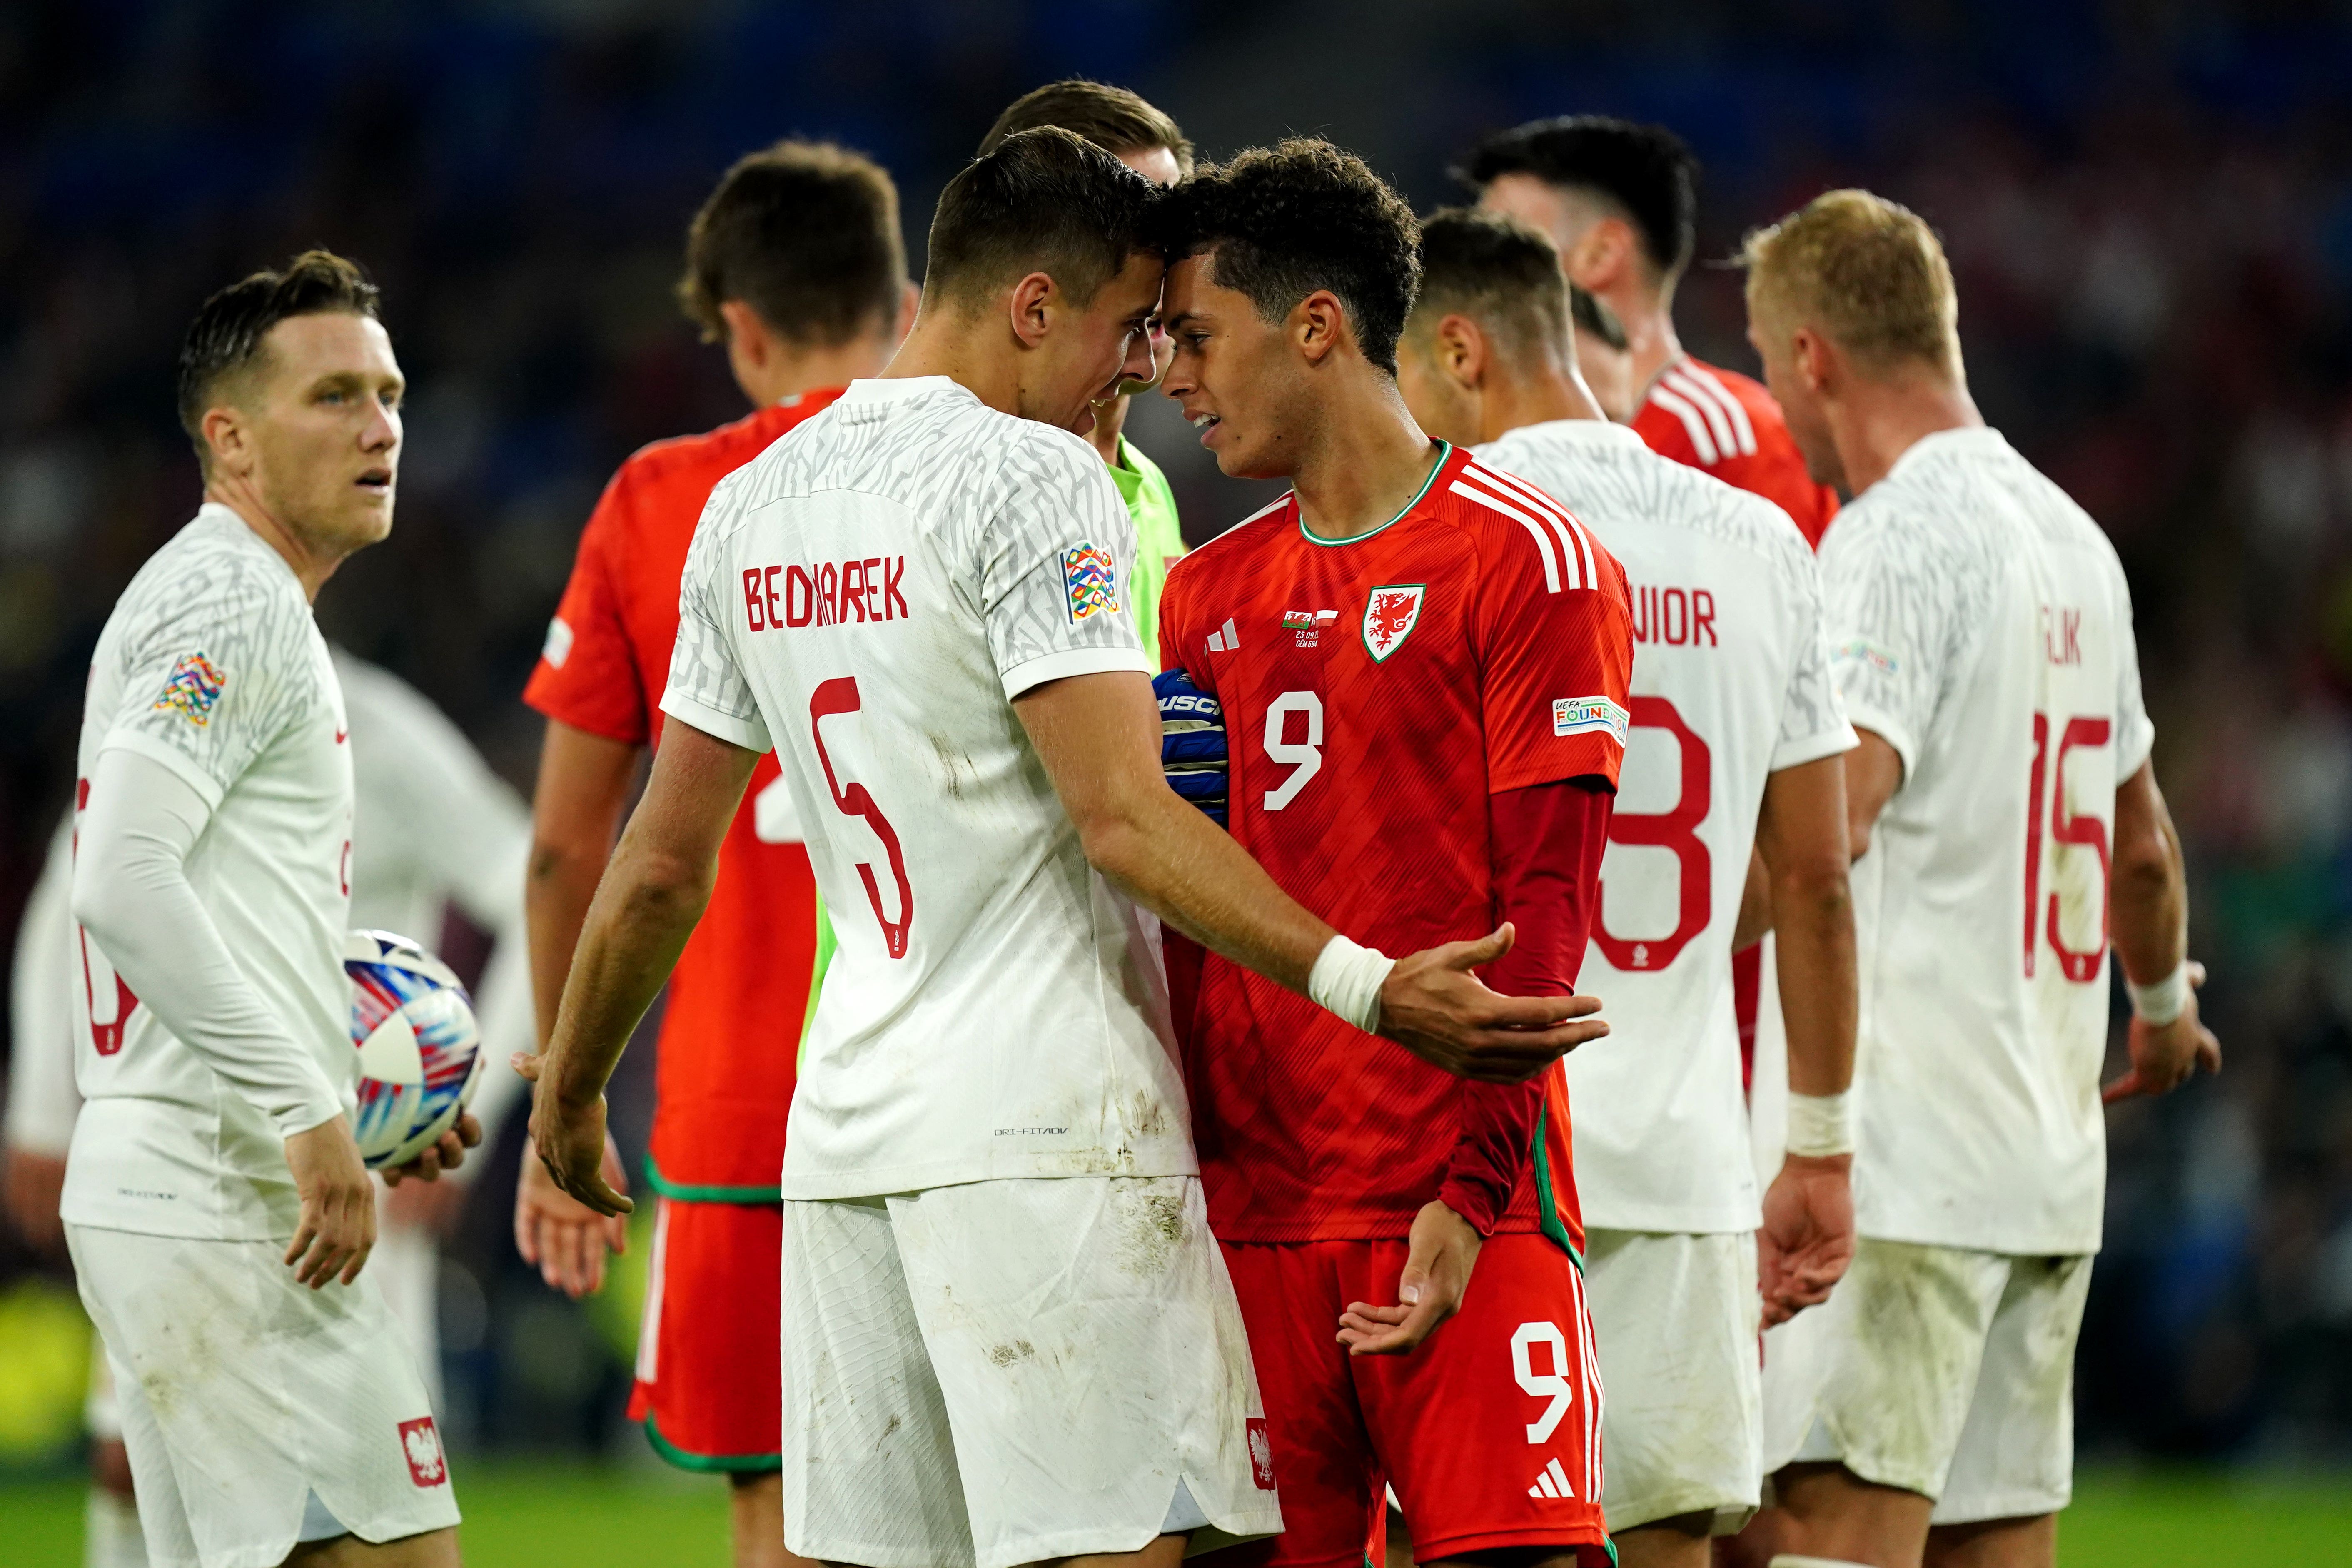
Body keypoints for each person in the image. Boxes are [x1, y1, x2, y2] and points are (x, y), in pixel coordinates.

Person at [524, 127, 1605, 1568]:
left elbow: (655, 862)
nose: (1143, 372)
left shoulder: (750, 504)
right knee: (1131, 1546)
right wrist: (1367, 983)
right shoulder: (1035, 483)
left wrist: (573, 1083)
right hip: (1046, 1132)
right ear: (1033, 308)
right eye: (1125, 328)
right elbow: (1121, 817)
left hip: (846, 1140)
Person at [1154, 145, 1634, 1568]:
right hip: (1255, 1220)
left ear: (1312, 325)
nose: (1174, 374)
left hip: (1455, 1200)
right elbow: (1191, 913)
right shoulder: (1200, 593)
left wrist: (1471, 1196)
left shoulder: (1527, 559)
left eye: (1196, 334)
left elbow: (1542, 914)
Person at [1736, 191, 2220, 1568]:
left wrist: (1664, 968)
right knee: (1996, 1542)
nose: (1782, 410)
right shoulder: (2076, 539)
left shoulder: (1887, 540)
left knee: (1820, 1531)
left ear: (1816, 356)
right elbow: (2140, 844)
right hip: (2044, 1175)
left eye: (1774, 371)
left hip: (1897, 1161)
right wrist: (2156, 1007)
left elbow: (1829, 823)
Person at [1392, 207, 1860, 1568]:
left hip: (1479, 1165)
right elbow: (1814, 878)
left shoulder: (1444, 533)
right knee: (1660, 1547)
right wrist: (1817, 1142)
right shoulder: (1756, 539)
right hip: (1684, 1156)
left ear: (1459, 353)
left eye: (1402, 373)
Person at [519, 138, 915, 1566]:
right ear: (907, 298)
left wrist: (563, 1099)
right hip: (973, 1080)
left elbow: (574, 846)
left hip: (747, 1105)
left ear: (740, 328)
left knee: (787, 1516)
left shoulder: (659, 499)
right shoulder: (1016, 472)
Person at [62, 250, 477, 1568]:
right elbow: (122, 875)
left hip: (215, 1181)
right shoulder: (231, 595)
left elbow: (212, 903)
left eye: (393, 392)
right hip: (228, 1196)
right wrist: (310, 1121)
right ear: (229, 437)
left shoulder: (245, 600)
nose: (382, 427)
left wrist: (364, 1103)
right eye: (337, 396)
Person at [5, 647, 530, 1568]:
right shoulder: (172, 723)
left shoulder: (391, 741)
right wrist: (44, 1107)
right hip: (183, 1141)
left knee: (373, 1497)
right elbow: (72, 893)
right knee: (133, 1456)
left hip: (349, 1163)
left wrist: (461, 1108)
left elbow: (535, 887)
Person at [1460, 112, 1841, 1220]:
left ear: (1600, 255)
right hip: (1580, 1023)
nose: (1478, 256)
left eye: (1504, 229)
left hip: (1682, 1024)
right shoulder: (1520, 445)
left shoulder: (1723, 438)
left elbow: (1796, 748)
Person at [978, 79, 1194, 647]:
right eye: (1126, 235)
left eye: (1172, 230)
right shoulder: (979, 484)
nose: (1162, 265)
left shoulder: (1148, 484)